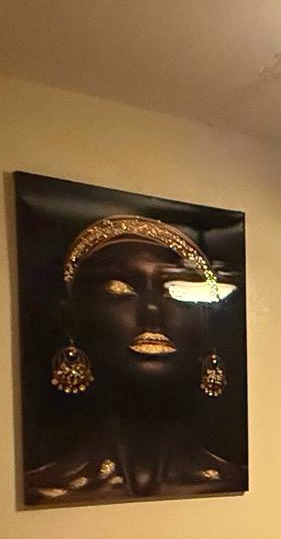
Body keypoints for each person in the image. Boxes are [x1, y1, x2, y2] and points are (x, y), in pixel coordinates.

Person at [25, 214, 246, 504]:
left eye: (173, 291)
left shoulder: (232, 480)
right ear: (71, 319)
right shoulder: (43, 490)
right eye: (121, 289)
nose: (152, 312)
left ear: (205, 325)